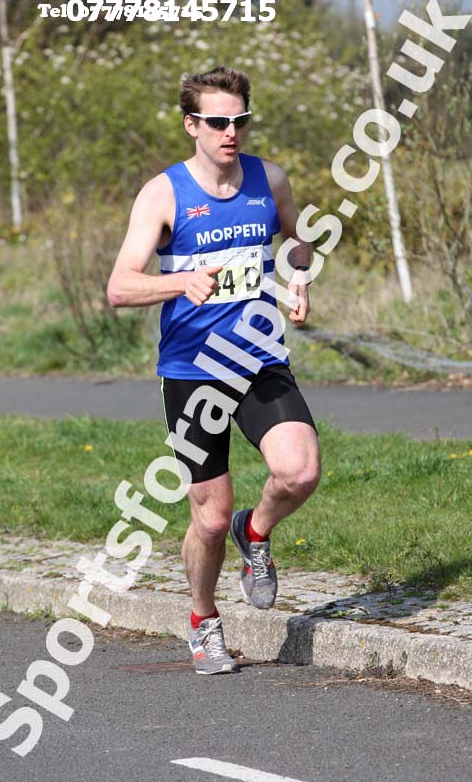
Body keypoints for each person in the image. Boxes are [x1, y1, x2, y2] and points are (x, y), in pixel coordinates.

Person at [107, 66, 321, 675]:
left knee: (300, 471)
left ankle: (257, 532)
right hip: (193, 371)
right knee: (209, 515)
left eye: (240, 121)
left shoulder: (268, 178)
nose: (231, 132)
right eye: (218, 122)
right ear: (191, 125)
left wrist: (298, 278)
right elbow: (120, 288)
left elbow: (296, 239)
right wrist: (181, 280)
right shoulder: (163, 194)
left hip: (258, 358)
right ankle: (204, 620)